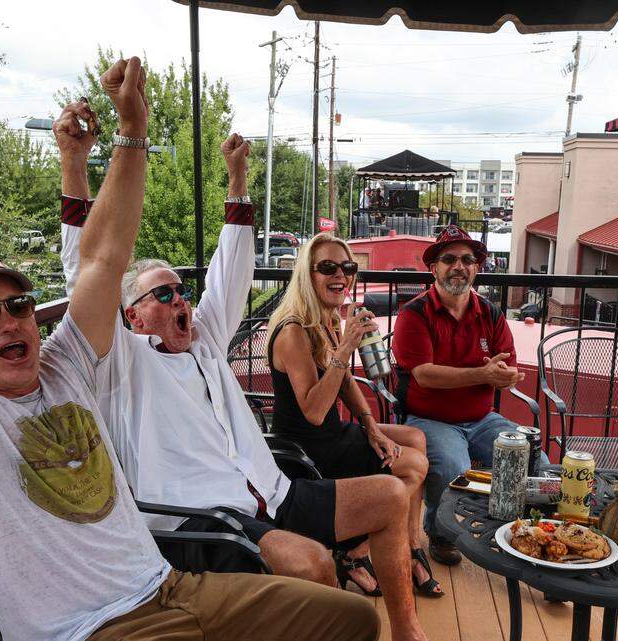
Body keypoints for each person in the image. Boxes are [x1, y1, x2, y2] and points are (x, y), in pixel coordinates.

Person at [0, 25, 379, 641]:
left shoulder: (65, 366)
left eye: (19, 304)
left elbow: (103, 260)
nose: (9, 320)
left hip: (170, 587)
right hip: (92, 629)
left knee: (348, 620)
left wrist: (134, 131)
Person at [59, 120, 429, 641]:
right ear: (131, 317)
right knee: (312, 565)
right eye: (162, 296)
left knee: (392, 494)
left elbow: (230, 277)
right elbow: (85, 278)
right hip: (202, 520)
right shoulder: (122, 363)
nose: (180, 300)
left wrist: (238, 181)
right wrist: (73, 165)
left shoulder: (203, 340)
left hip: (268, 491)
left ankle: (409, 633)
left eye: (180, 289)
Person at [267, 232, 443, 598]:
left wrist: (370, 427)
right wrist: (345, 346)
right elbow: (315, 412)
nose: (341, 275)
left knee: (415, 438)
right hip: (306, 449)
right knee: (413, 465)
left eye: (347, 267)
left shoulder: (327, 320)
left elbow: (345, 381)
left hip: (333, 434)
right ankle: (358, 551)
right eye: (328, 267)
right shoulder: (294, 332)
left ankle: (406, 544)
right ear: (307, 274)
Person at [391, 225, 546, 566]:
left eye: (467, 259)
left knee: (535, 460)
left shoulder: (489, 312)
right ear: (434, 268)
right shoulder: (413, 314)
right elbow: (425, 376)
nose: (458, 266)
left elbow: (507, 366)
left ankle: (533, 535)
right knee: (453, 467)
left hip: (482, 419)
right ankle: (441, 533)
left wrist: (505, 378)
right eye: (449, 259)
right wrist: (483, 375)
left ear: (477, 268)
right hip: (429, 418)